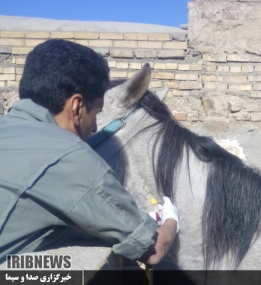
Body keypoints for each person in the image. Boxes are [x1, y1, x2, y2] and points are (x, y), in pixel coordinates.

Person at [0, 39, 178, 265]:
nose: (94, 128)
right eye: (96, 113)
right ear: (76, 107)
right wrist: (171, 219)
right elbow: (151, 249)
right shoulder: (70, 156)